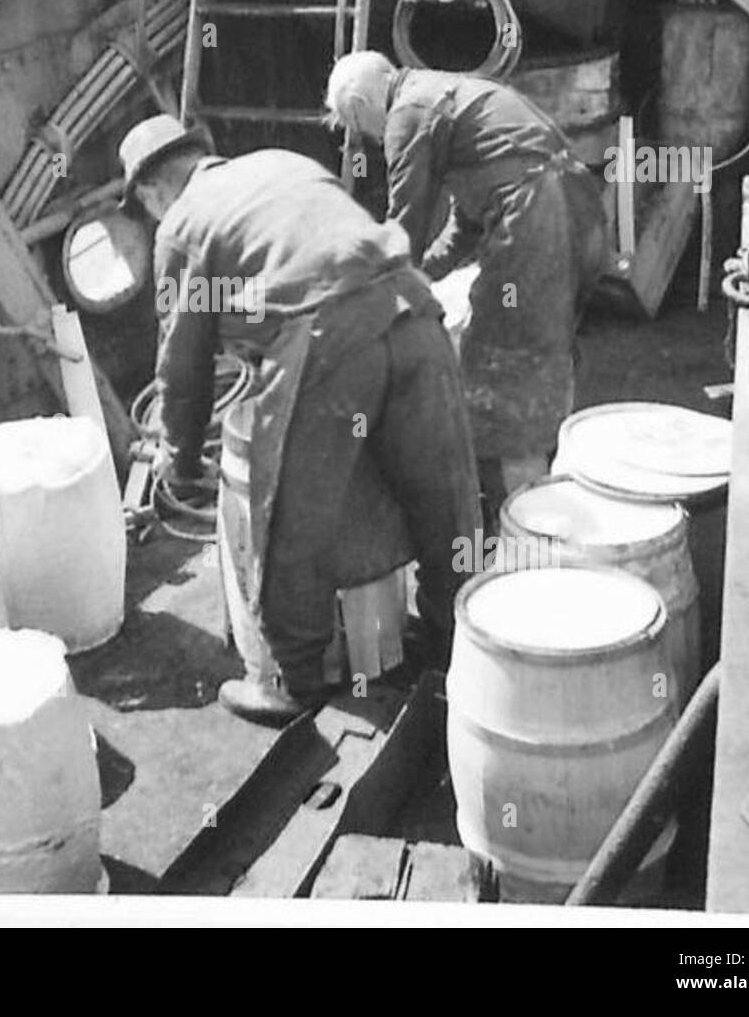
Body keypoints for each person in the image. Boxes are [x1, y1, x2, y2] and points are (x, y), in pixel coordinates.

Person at [119, 114, 481, 725]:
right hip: (413, 309)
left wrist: (178, 463)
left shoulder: (181, 228)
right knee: (444, 491)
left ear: (153, 192)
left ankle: (296, 679)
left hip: (328, 339)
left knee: (288, 512)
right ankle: (456, 638)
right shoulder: (285, 164)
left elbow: (183, 367)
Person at [324, 51, 609, 516]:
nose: (366, 141)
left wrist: (373, 301)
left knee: (504, 363)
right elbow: (466, 222)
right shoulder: (447, 91)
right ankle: (539, 486)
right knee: (542, 352)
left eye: (357, 128)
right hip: (579, 211)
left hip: (537, 219)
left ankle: (528, 528)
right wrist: (426, 274)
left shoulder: (407, 114)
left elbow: (404, 223)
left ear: (359, 106)